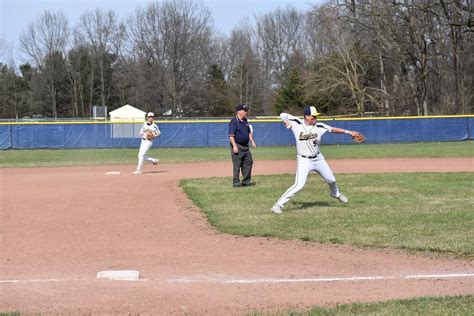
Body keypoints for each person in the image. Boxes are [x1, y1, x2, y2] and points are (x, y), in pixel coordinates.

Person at [271, 106, 361, 214]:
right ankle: (278, 205)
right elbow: (282, 114)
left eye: (316, 116)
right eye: (313, 116)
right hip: (304, 160)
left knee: (331, 180)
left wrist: (349, 132)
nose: (315, 118)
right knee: (299, 185)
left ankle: (335, 194)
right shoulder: (296, 123)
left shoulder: (319, 126)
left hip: (318, 159)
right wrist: (286, 122)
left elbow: (332, 129)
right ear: (306, 116)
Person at [228, 104, 257, 187]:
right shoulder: (233, 122)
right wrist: (234, 146)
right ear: (239, 112)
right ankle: (236, 183)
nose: (246, 112)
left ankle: (246, 181)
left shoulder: (245, 121)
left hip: (245, 146)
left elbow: (248, 133)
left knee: (248, 162)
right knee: (237, 165)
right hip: (237, 145)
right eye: (245, 110)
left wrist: (252, 141)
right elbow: (231, 136)